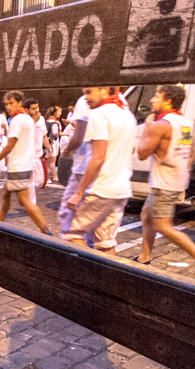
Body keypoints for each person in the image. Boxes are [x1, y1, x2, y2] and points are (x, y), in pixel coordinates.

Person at [135, 85, 195, 280]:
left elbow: (141, 153)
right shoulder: (184, 122)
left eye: (157, 95)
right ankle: (144, 258)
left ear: (167, 100)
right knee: (147, 214)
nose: (153, 99)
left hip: (164, 183)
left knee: (164, 226)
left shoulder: (160, 124)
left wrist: (148, 125)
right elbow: (189, 153)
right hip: (175, 180)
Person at [64, 87, 136, 254]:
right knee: (105, 242)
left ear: (104, 90)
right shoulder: (127, 115)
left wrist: (79, 192)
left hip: (103, 188)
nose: (85, 97)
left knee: (73, 235)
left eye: (89, 91)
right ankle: (112, 279)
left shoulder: (99, 114)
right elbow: (131, 149)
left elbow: (98, 158)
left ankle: (92, 277)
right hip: (121, 189)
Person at [0, 91, 52, 235]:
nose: (8, 106)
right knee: (5, 195)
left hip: (18, 166)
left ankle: (45, 230)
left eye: (11, 103)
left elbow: (10, 145)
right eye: (6, 104)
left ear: (19, 103)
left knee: (25, 202)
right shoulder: (28, 119)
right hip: (24, 165)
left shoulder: (17, 120)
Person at [58, 91, 94, 244]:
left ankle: (81, 262)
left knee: (70, 225)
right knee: (100, 234)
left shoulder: (84, 101)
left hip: (83, 166)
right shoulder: (121, 106)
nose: (87, 95)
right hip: (105, 175)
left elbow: (78, 137)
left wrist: (65, 153)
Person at [24, 98, 51, 204]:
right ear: (26, 110)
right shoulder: (22, 120)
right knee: (30, 182)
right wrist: (33, 121)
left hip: (38, 155)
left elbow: (44, 136)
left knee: (40, 181)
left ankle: (26, 195)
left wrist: (50, 149)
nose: (36, 110)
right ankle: (31, 205)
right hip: (27, 156)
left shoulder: (42, 119)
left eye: (37, 107)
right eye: (33, 108)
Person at [45, 106, 63, 183]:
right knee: (51, 160)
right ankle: (54, 176)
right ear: (55, 113)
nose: (60, 114)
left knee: (49, 161)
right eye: (59, 112)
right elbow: (55, 134)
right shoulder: (54, 123)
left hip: (51, 142)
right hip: (53, 142)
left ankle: (49, 177)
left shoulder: (47, 121)